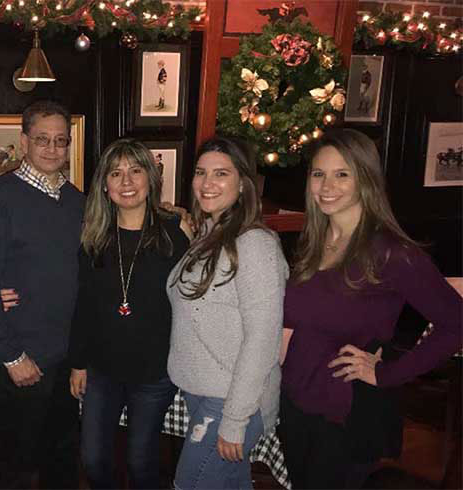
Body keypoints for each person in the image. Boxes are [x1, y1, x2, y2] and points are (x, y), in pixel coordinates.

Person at [280, 129, 463, 489]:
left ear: (365, 179)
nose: (327, 186)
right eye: (319, 174)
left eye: (342, 174)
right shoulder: (311, 244)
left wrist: (387, 373)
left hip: (344, 415)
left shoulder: (391, 252)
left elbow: (456, 322)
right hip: (298, 403)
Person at [0, 100, 85, 489]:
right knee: (20, 464)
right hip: (20, 358)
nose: (52, 149)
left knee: (64, 457)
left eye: (60, 141)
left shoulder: (77, 201)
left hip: (66, 359)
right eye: (42, 140)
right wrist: (11, 357)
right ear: (23, 141)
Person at [67, 138, 192, 488]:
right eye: (116, 173)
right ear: (104, 185)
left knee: (141, 462)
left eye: (136, 171)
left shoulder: (176, 233)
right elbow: (84, 306)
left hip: (154, 372)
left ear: (151, 179)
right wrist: (78, 363)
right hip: (102, 369)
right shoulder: (92, 237)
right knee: (92, 459)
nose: (127, 181)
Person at [167, 136, 288, 489]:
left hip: (231, 402)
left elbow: (263, 339)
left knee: (190, 484)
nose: (207, 183)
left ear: (243, 183)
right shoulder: (209, 234)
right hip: (204, 393)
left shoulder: (255, 245)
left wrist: (234, 419)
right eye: (201, 172)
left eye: (221, 173)